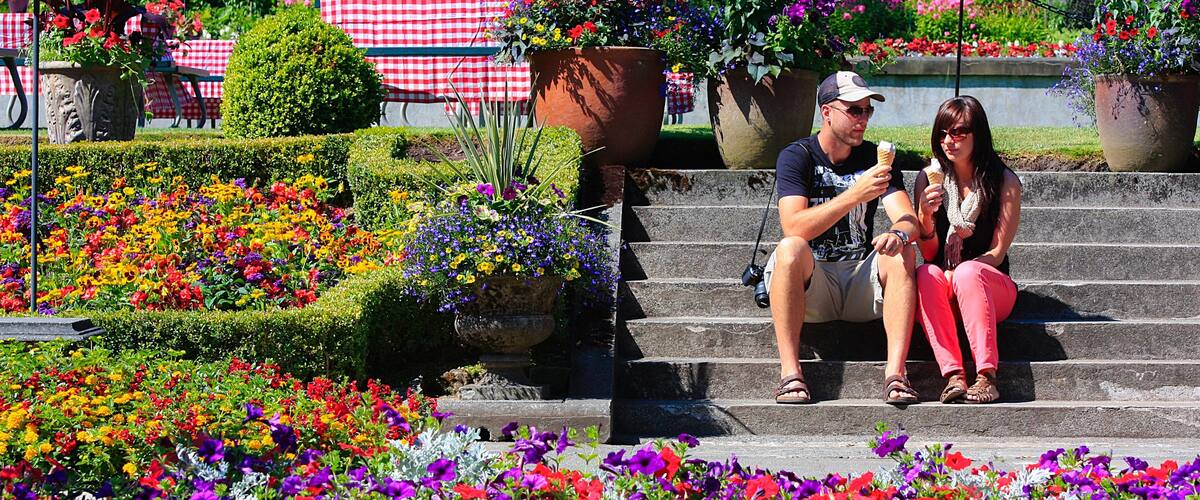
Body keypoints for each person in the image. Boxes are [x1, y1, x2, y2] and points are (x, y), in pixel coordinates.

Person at [766, 71, 921, 405]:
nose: (863, 119)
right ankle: (790, 374)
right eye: (854, 110)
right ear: (826, 112)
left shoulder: (876, 158)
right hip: (814, 284)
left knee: (902, 251)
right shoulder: (797, 156)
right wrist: (854, 194)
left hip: (858, 282)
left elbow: (909, 220)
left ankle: (896, 374)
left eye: (868, 110)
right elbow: (793, 226)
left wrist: (898, 233)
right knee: (790, 248)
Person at [913, 96, 1022, 404]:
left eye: (959, 132)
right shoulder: (929, 179)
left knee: (969, 272)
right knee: (924, 273)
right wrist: (924, 215)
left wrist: (960, 271)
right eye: (943, 133)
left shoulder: (1004, 181)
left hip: (991, 286)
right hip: (944, 286)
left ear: (978, 135)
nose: (950, 141)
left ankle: (987, 376)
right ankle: (954, 375)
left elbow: (998, 252)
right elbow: (930, 250)